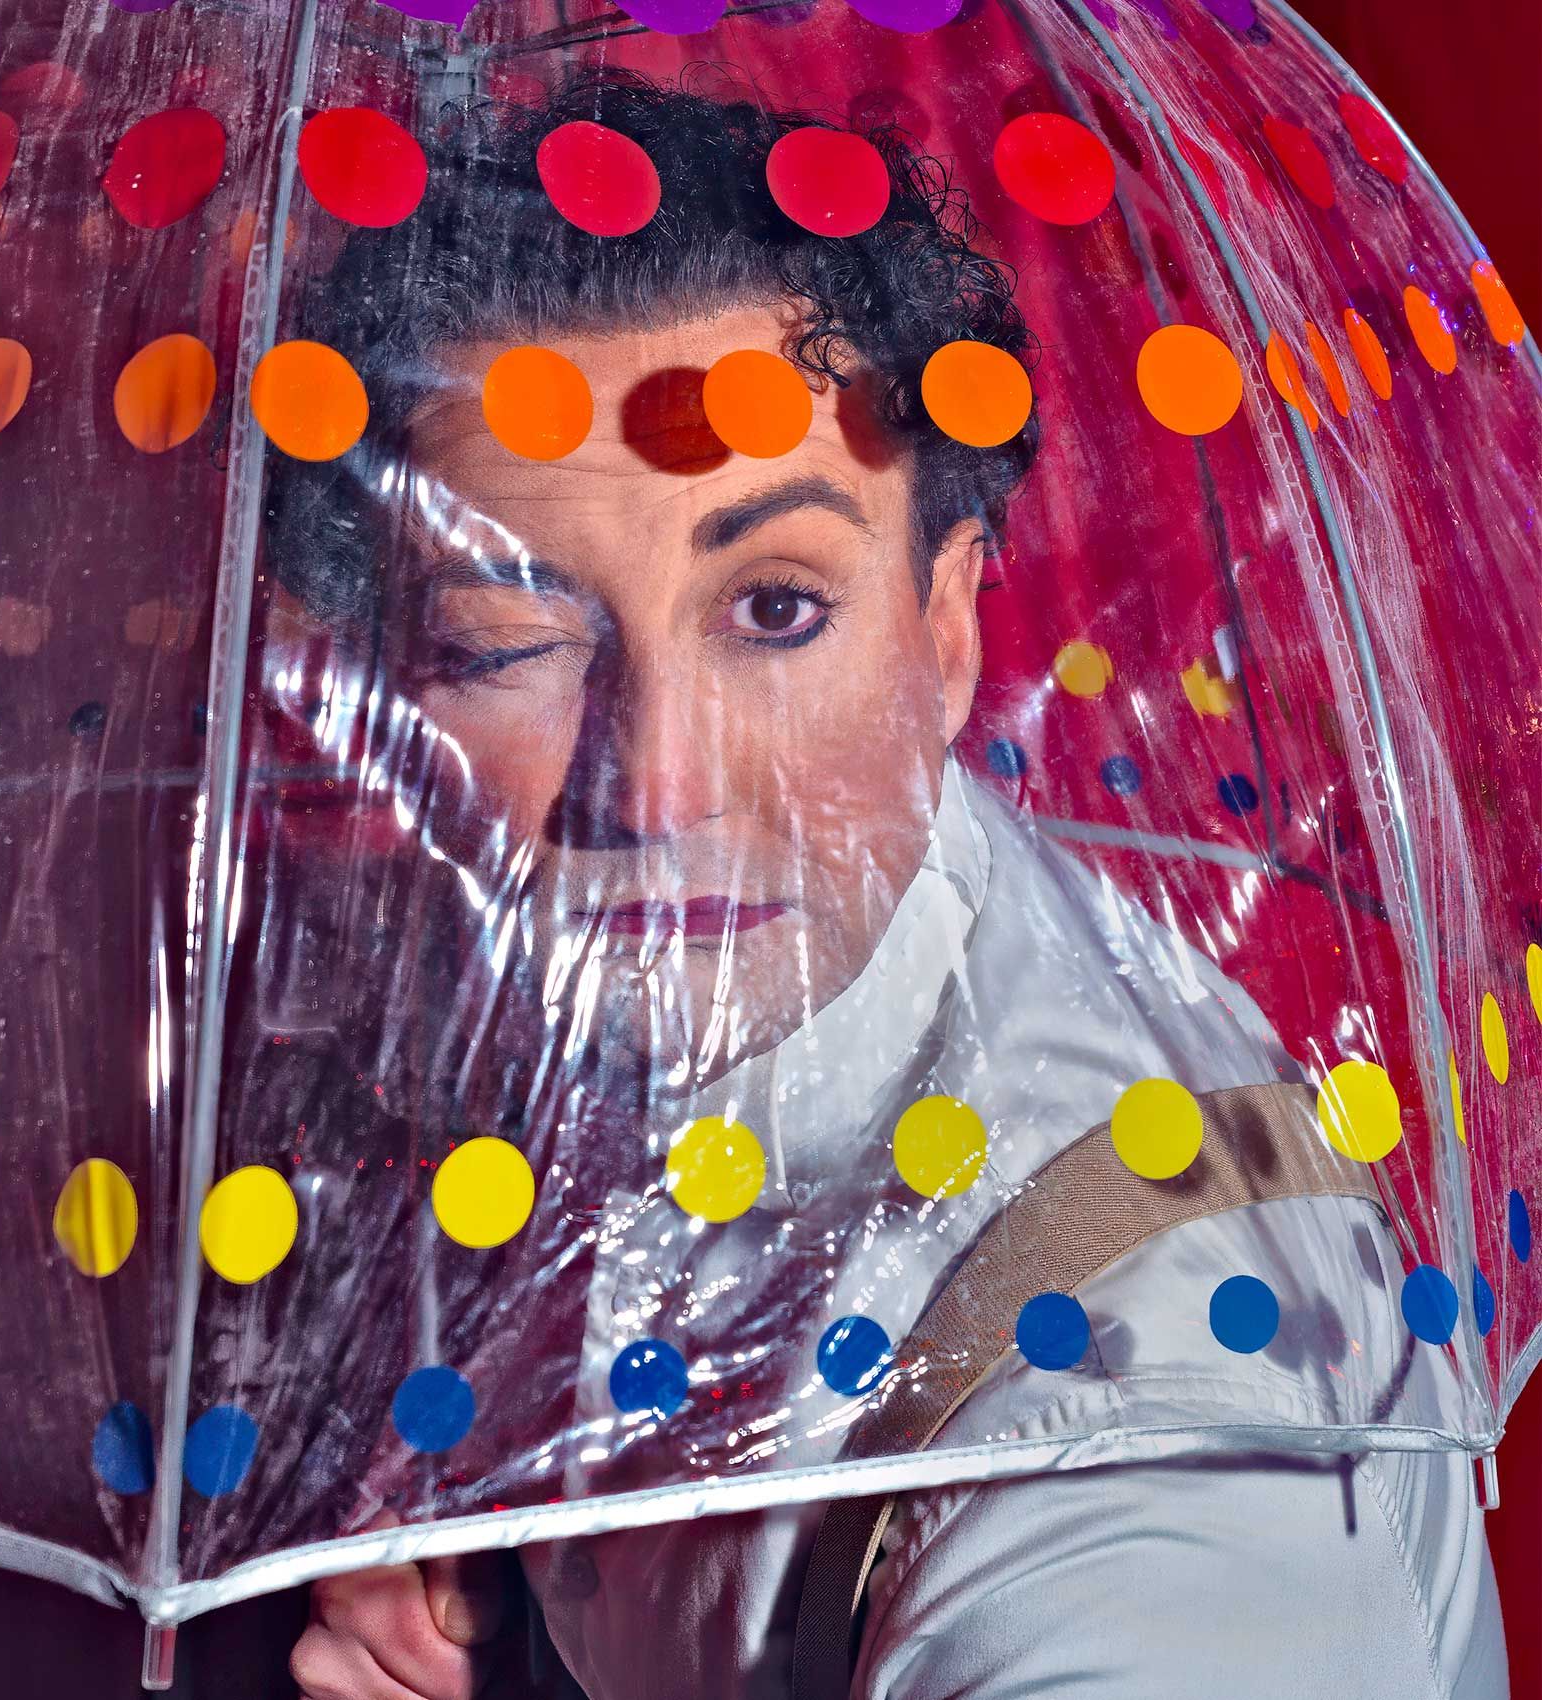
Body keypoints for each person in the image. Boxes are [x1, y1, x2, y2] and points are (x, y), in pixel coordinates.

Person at [272, 71, 1507, 1700]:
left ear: (947, 627)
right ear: (393, 687)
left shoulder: (1151, 1449)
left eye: (776, 609)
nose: (657, 788)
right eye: (509, 646)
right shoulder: (514, 1006)